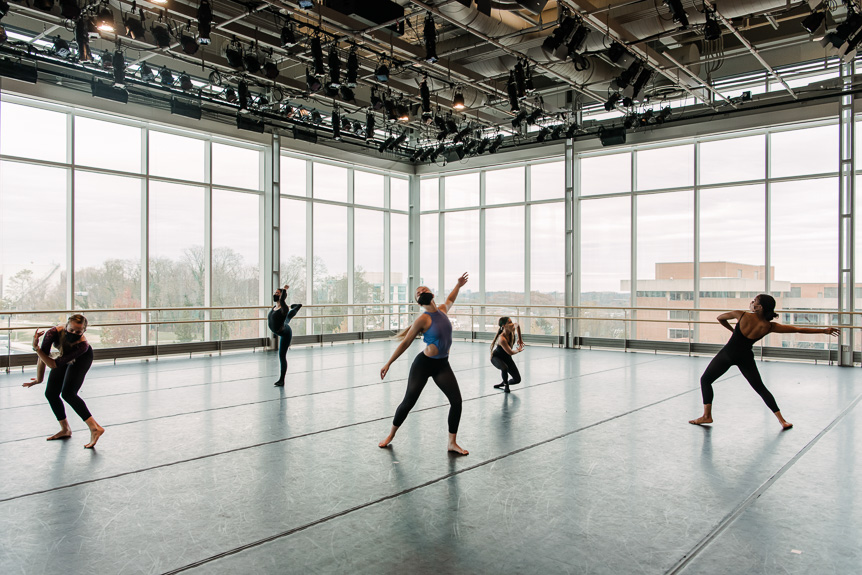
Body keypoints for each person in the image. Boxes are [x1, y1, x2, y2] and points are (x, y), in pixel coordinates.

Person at [689, 294, 839, 430]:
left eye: (754, 301)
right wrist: (824, 330)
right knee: (761, 388)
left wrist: (733, 331)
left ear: (758, 307)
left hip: (728, 354)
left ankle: (707, 416)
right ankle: (782, 421)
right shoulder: (769, 326)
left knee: (705, 380)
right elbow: (798, 329)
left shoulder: (740, 315)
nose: (751, 302)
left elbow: (720, 318)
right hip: (745, 357)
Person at [379, 273, 469, 455]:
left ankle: (452, 443)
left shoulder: (443, 310)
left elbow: (451, 298)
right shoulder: (423, 319)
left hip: (442, 365)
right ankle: (390, 435)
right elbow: (405, 342)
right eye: (418, 293)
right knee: (408, 402)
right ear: (419, 303)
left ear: (432, 294)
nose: (421, 292)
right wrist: (389, 362)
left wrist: (458, 285)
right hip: (424, 364)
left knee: (457, 402)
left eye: (423, 289)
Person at [22, 314, 105, 448]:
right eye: (71, 330)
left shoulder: (83, 345)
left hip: (81, 359)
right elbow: (43, 356)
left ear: (84, 331)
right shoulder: (52, 333)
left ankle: (95, 428)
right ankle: (65, 429)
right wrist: (39, 379)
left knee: (68, 393)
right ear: (66, 326)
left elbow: (53, 364)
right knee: (51, 393)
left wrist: (36, 348)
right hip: (62, 356)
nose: (73, 333)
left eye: (78, 332)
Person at [268, 284, 302, 387]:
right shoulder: (275, 307)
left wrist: (285, 289)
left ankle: (282, 380)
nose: (275, 294)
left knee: (282, 356)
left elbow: (282, 300)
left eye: (277, 293)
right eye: (275, 293)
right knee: (287, 319)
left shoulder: (283, 307)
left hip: (285, 332)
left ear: (282, 295)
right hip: (281, 327)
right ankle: (297, 306)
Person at [489, 316, 524, 393]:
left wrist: (520, 339)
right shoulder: (502, 339)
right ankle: (506, 385)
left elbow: (517, 325)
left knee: (517, 380)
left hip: (507, 357)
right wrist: (518, 350)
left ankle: (505, 382)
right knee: (504, 368)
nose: (512, 324)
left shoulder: (511, 329)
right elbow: (510, 352)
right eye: (509, 322)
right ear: (503, 326)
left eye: (511, 322)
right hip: (497, 357)